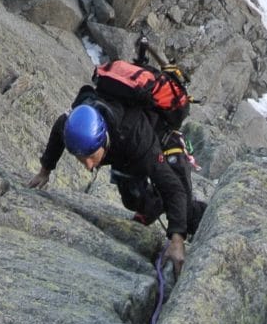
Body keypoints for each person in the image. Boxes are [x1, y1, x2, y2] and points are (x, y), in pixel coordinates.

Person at [28, 81, 205, 270]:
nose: (88, 165)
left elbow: (173, 189)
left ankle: (208, 220)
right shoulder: (76, 125)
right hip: (124, 152)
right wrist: (45, 171)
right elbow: (58, 128)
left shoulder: (136, 138)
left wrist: (176, 241)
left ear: (102, 138)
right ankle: (155, 206)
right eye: (81, 158)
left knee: (182, 208)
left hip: (163, 140)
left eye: (91, 156)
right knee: (132, 200)